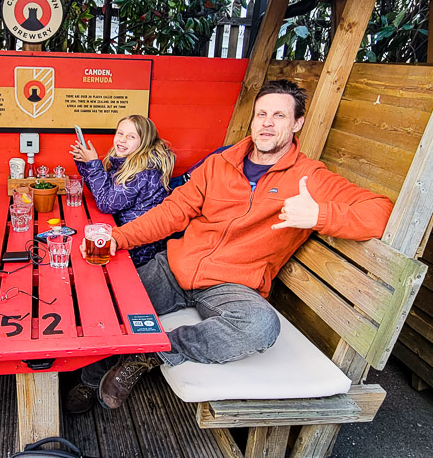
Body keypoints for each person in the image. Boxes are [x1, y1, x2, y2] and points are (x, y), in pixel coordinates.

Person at [64, 80, 394, 414]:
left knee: (261, 326)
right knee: (108, 305)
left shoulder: (310, 178)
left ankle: (148, 355)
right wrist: (117, 238)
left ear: (297, 124)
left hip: (232, 285)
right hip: (175, 267)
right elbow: (170, 213)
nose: (266, 122)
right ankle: (91, 380)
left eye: (279, 115)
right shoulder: (219, 165)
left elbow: (380, 212)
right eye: (261, 113)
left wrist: (321, 214)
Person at [70, 115, 175, 267]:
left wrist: (93, 164)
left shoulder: (144, 170)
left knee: (78, 254)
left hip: (138, 248)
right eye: (120, 133)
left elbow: (107, 204)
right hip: (120, 232)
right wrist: (85, 163)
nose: (122, 139)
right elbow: (102, 193)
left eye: (131, 136)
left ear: (144, 142)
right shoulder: (127, 161)